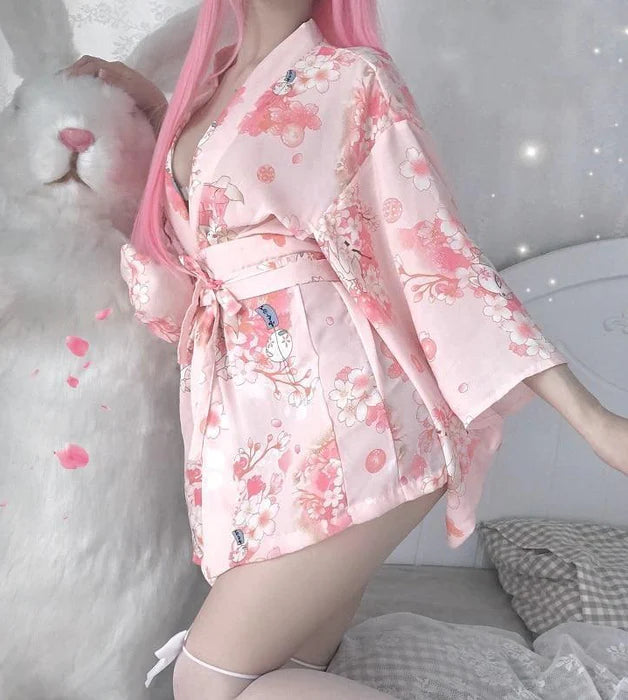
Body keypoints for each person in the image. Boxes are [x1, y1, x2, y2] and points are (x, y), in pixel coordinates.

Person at [65, 1, 628, 697]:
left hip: (352, 422)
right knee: (289, 674)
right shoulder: (203, 93)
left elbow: (441, 259)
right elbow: (218, 194)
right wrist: (151, 107)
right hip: (265, 430)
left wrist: (595, 421)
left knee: (207, 684)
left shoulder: (350, 79)